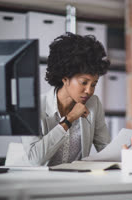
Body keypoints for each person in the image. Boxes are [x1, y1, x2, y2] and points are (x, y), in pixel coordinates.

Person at [22, 32, 111, 166]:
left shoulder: (93, 104)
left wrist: (126, 154)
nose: (89, 91)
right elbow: (34, 160)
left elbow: (106, 150)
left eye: (94, 84)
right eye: (84, 82)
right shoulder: (34, 107)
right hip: (41, 183)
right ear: (65, 79)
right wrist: (69, 120)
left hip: (77, 183)